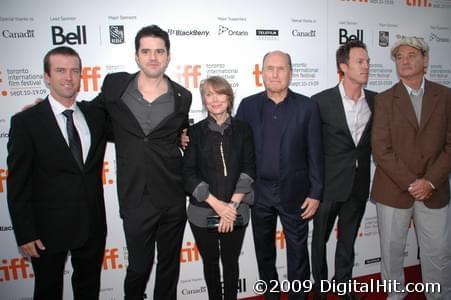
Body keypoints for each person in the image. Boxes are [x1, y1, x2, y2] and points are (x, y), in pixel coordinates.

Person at [92, 25, 192, 300]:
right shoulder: (115, 85)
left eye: (159, 51)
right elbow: (92, 116)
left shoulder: (183, 95)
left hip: (171, 196)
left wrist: (185, 138)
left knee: (169, 266)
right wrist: (48, 109)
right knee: (138, 266)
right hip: (135, 197)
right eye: (146, 51)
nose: (153, 57)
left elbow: (180, 132)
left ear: (168, 56)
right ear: (136, 56)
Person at [7, 46, 108, 300]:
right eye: (60, 70)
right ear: (46, 77)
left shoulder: (95, 115)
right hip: (47, 230)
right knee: (47, 291)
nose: (68, 77)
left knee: (89, 290)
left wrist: (181, 135)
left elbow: (138, 130)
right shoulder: (26, 122)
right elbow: (18, 183)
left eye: (74, 70)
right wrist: (25, 232)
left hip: (92, 225)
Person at [236, 50, 324, 300]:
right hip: (258, 194)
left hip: (295, 194)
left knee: (298, 253)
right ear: (261, 73)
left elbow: (315, 153)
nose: (275, 74)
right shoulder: (248, 105)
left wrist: (316, 192)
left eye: (281, 68)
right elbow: (234, 145)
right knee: (264, 252)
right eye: (270, 68)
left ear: (290, 73)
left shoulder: (307, 107)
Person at [371, 36, 451, 300]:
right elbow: (381, 148)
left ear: (425, 60)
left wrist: (429, 182)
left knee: (438, 251)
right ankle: (395, 296)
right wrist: (412, 183)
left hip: (434, 191)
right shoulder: (384, 99)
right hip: (393, 190)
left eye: (411, 55)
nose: (404, 61)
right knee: (392, 252)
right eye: (399, 57)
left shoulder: (446, 96)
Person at [310, 40, 376, 300]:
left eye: (368, 61)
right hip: (327, 186)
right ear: (343, 66)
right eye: (360, 61)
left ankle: (344, 284)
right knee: (319, 242)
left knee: (347, 240)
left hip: (358, 184)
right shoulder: (321, 101)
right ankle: (320, 289)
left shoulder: (375, 101)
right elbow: (310, 147)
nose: (366, 66)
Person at [183, 76, 256, 300]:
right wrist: (218, 206)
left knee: (231, 262)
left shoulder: (244, 129)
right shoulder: (193, 133)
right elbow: (188, 175)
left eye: (220, 93)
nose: (215, 100)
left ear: (229, 97)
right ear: (204, 100)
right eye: (209, 95)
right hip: (203, 211)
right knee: (211, 263)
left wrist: (231, 207)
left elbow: (249, 168)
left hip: (237, 209)